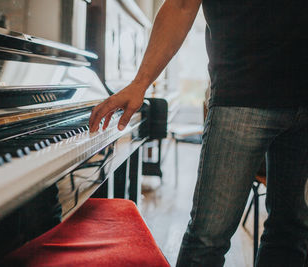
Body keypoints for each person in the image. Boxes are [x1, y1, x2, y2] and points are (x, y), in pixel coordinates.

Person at [89, 0, 308, 266]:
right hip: (243, 95)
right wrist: (140, 83)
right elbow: (182, 5)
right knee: (208, 239)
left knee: (291, 232)